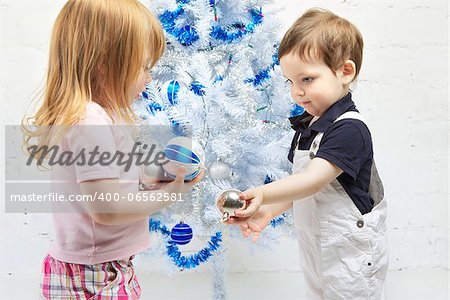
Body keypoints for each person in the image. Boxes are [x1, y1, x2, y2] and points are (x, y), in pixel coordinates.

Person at [23, 0, 202, 298]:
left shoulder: (106, 115)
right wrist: (169, 195)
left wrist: (154, 177)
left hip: (102, 264)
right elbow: (107, 208)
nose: (149, 77)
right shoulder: (89, 121)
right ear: (106, 64)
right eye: (144, 66)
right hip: (92, 272)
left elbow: (119, 175)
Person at [228, 8, 388, 300]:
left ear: (345, 72)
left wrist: (262, 193)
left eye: (307, 79)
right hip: (318, 248)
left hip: (349, 251)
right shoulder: (309, 126)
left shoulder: (349, 129)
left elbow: (314, 180)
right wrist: (268, 212)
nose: (297, 92)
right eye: (290, 82)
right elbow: (300, 186)